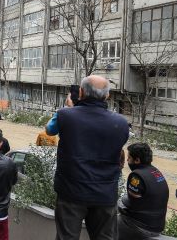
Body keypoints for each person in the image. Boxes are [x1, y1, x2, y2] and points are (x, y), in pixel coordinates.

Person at [47, 75, 129, 240]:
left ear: (81, 92)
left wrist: (69, 109)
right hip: (105, 194)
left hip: (71, 192)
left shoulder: (65, 115)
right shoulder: (121, 123)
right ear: (107, 96)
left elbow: (49, 130)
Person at [117, 143, 169, 240]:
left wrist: (121, 201)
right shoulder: (156, 171)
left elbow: (132, 203)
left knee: (108, 226)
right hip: (157, 225)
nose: (127, 160)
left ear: (137, 160)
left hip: (142, 226)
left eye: (129, 158)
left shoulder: (136, 176)